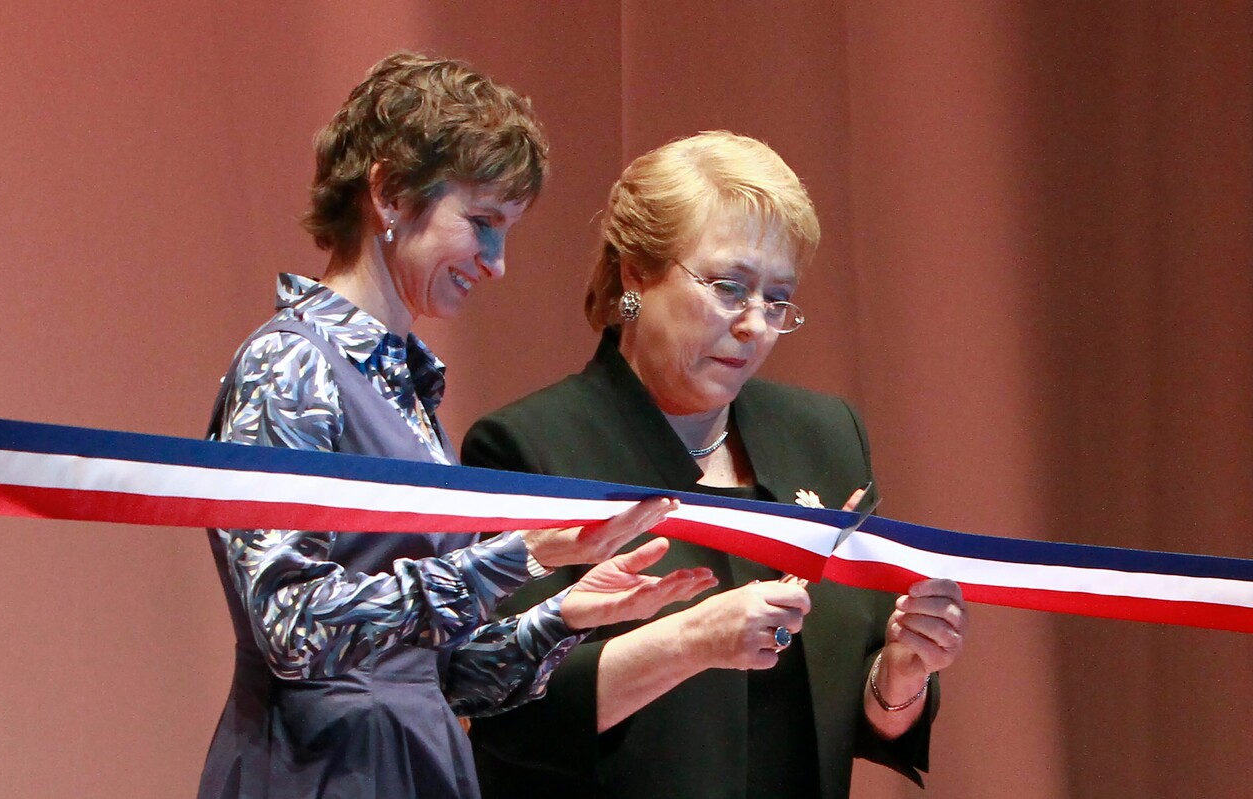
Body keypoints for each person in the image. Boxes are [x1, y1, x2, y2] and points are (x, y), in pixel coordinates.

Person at [197, 52, 716, 799]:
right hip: (317, 773)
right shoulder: (289, 363)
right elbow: (292, 626)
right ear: (389, 193)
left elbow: (443, 672)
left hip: (412, 761)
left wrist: (563, 611)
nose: (498, 262)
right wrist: (512, 557)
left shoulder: (406, 390)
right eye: (482, 222)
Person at [462, 131, 968, 798]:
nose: (756, 323)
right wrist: (693, 639)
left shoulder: (824, 435)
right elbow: (511, 711)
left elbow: (858, 703)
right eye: (730, 287)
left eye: (777, 299)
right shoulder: (529, 449)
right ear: (636, 272)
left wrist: (898, 678)